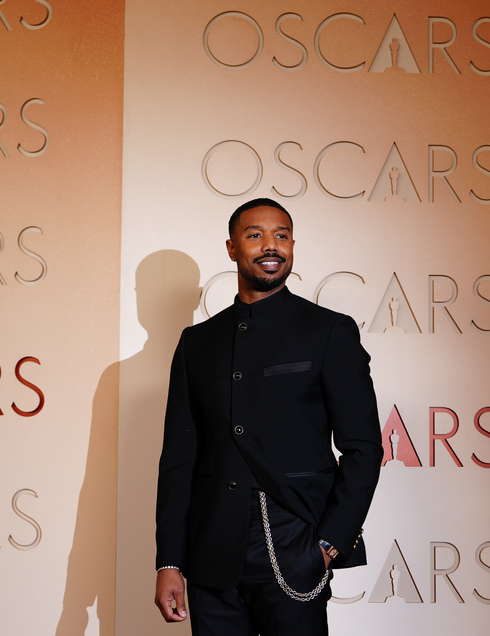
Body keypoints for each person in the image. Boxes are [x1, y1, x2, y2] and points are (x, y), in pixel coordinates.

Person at [154, 198, 383, 635]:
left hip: (293, 540)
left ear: (293, 244)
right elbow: (179, 459)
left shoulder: (329, 331)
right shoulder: (196, 343)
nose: (269, 246)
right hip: (211, 550)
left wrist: (328, 544)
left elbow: (364, 448)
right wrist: (169, 560)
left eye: (280, 235)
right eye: (255, 235)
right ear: (232, 248)